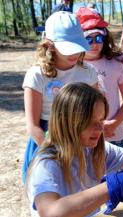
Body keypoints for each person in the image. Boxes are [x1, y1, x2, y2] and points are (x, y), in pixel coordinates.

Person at [25, 83, 123, 217]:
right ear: (67, 122)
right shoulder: (46, 163)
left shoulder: (95, 150)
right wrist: (114, 186)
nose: (99, 129)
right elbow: (50, 213)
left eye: (101, 120)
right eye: (90, 122)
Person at [21, 11, 99, 183]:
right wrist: (55, 154)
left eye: (77, 46)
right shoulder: (37, 75)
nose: (74, 53)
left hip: (81, 140)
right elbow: (33, 126)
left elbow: (96, 113)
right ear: (49, 45)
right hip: (47, 144)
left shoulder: (89, 73)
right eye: (67, 48)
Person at [76, 7, 123, 149]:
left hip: (113, 137)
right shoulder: (73, 64)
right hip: (81, 139)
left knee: (117, 171)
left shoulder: (116, 62)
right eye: (88, 39)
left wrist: (114, 123)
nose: (95, 44)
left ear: (105, 37)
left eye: (99, 38)